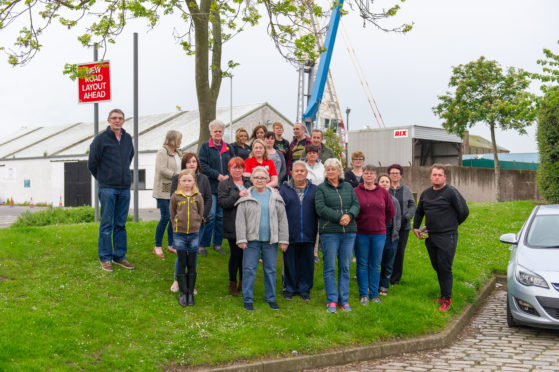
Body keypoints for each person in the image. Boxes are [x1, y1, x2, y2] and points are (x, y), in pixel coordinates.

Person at [413, 164, 469, 312]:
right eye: (434, 174)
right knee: (437, 266)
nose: (436, 177)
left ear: (444, 177)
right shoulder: (426, 194)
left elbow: (464, 211)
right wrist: (416, 227)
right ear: (430, 176)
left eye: (439, 175)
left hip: (447, 236)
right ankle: (443, 295)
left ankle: (447, 299)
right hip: (430, 235)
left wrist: (451, 225)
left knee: (445, 267)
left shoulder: (451, 192)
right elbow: (419, 212)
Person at [236, 167, 289, 311]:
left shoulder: (276, 197)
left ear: (267, 180)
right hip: (251, 240)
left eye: (262, 178)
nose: (259, 180)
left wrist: (284, 240)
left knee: (270, 269)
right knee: (249, 269)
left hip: (270, 241)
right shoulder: (246, 197)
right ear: (252, 179)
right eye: (257, 177)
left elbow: (282, 220)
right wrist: (241, 239)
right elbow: (240, 220)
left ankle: (270, 298)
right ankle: (248, 299)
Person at [88, 108, 135, 272]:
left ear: (123, 121)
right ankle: (105, 258)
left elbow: (129, 157)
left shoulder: (128, 138)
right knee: (107, 224)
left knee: (120, 224)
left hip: (124, 188)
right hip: (107, 188)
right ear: (108, 120)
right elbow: (92, 163)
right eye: (114, 118)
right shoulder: (100, 140)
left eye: (120, 118)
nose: (117, 121)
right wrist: (103, 178)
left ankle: (119, 256)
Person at [315, 158, 360, 313]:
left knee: (345, 267)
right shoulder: (321, 188)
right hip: (330, 233)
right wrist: (338, 217)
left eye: (333, 169)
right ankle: (332, 300)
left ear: (339, 170)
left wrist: (349, 215)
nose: (331, 172)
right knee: (329, 267)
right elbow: (320, 208)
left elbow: (356, 204)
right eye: (328, 169)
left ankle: (344, 300)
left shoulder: (348, 186)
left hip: (349, 232)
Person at [169, 153, 212, 293]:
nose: (192, 164)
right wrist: (176, 223)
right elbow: (173, 204)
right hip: (181, 226)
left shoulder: (204, 179)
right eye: (188, 162)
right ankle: (177, 280)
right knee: (181, 255)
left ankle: (190, 283)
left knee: (193, 254)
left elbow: (208, 199)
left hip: (198, 224)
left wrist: (200, 218)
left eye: (194, 161)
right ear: (184, 165)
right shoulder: (178, 179)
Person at [354, 165, 395, 305]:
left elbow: (390, 211)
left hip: (379, 234)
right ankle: (363, 294)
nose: (369, 176)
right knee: (362, 264)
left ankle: (374, 294)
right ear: (362, 176)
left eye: (371, 173)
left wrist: (380, 222)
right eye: (366, 173)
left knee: (375, 264)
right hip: (361, 233)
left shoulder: (383, 192)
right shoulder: (356, 191)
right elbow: (352, 210)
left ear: (375, 176)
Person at [279, 161, 318, 301]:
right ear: (292, 173)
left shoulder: (314, 189)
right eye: (297, 171)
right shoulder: (284, 189)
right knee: (289, 262)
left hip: (309, 233)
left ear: (307, 173)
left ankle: (304, 289)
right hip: (290, 233)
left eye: (302, 170)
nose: (300, 173)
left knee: (306, 263)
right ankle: (289, 288)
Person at [198, 120, 236, 257]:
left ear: (223, 132)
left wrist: (229, 175)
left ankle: (218, 244)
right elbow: (202, 164)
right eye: (215, 131)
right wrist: (217, 175)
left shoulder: (228, 148)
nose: (218, 133)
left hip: (225, 188)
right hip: (211, 186)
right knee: (211, 215)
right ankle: (202, 244)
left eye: (220, 131)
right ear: (210, 132)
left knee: (221, 217)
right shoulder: (205, 147)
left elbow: (233, 163)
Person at [218, 157, 252, 296]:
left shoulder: (249, 182)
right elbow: (223, 203)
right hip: (232, 223)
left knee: (246, 256)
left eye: (240, 167)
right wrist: (238, 195)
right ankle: (232, 282)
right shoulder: (224, 184)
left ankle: (243, 282)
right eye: (234, 167)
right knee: (235, 255)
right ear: (229, 169)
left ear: (244, 169)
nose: (237, 170)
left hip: (248, 224)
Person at [170, 169, 204, 307]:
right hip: (180, 234)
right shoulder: (176, 196)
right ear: (179, 182)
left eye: (189, 180)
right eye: (184, 180)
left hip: (194, 233)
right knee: (182, 261)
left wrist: (196, 223)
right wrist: (177, 226)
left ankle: (190, 292)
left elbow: (200, 212)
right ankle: (183, 293)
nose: (186, 183)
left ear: (194, 181)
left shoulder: (198, 196)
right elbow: (172, 214)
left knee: (191, 263)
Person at [152, 130, 183, 259]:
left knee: (174, 218)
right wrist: (177, 176)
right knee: (165, 217)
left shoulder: (179, 153)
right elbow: (162, 169)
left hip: (176, 189)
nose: (181, 141)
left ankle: (171, 245)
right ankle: (157, 245)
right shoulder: (162, 152)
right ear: (173, 140)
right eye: (179, 139)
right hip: (164, 190)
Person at [387, 163, 417, 286]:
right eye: (392, 173)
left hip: (403, 227)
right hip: (387, 226)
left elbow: (413, 205)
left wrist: (407, 216)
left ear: (401, 175)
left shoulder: (406, 189)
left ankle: (395, 279)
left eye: (397, 173)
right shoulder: (385, 188)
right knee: (387, 251)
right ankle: (385, 275)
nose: (394, 175)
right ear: (389, 175)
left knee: (399, 252)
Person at [377, 174, 402, 296]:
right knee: (376, 261)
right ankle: (374, 284)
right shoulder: (374, 198)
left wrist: (395, 233)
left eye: (387, 181)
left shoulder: (394, 200)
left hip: (391, 234)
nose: (385, 183)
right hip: (376, 232)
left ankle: (384, 286)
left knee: (388, 262)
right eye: (382, 181)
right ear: (377, 183)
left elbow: (398, 219)